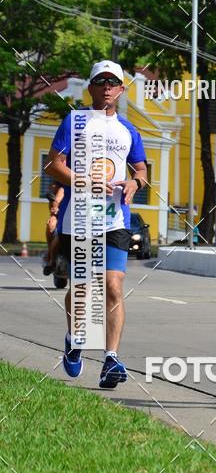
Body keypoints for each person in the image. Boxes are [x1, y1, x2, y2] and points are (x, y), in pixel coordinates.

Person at [46, 60, 148, 388]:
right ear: (90, 87)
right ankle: (75, 341)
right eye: (100, 81)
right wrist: (82, 182)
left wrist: (136, 183)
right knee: (82, 290)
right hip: (78, 219)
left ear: (121, 89)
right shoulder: (74, 121)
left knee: (113, 285)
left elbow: (141, 170)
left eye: (112, 82)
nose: (106, 86)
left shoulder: (128, 130)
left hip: (115, 219)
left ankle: (110, 359)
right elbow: (52, 164)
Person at [42, 181, 64, 275]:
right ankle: (51, 260)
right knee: (51, 225)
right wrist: (55, 208)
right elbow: (56, 202)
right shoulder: (63, 189)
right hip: (62, 218)